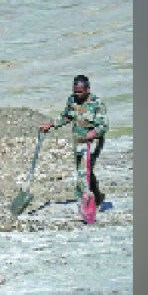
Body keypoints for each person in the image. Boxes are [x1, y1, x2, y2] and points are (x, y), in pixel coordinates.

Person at [40, 74, 109, 209]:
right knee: (83, 170)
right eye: (75, 91)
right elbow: (66, 117)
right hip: (78, 141)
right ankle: (97, 196)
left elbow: (104, 125)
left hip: (93, 142)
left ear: (87, 89)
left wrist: (94, 132)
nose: (77, 94)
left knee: (83, 172)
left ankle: (84, 203)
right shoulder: (72, 100)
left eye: (80, 92)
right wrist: (52, 124)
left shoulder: (97, 103)